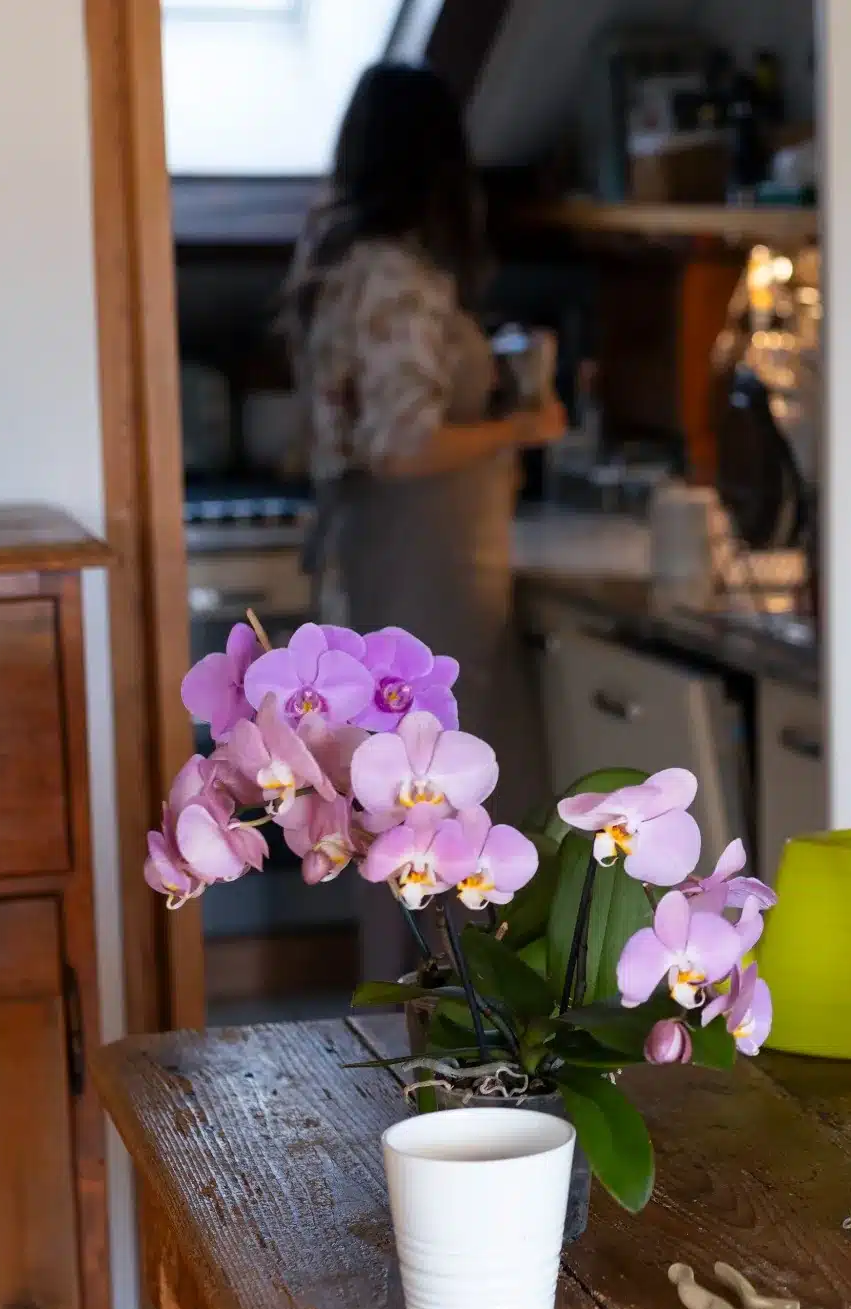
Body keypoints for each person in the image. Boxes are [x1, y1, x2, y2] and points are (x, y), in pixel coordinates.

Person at [282, 63, 562, 829]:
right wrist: (523, 427)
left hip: (393, 563)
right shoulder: (392, 274)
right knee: (439, 816)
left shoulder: (342, 261)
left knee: (400, 816)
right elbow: (399, 445)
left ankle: (412, 956)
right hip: (420, 576)